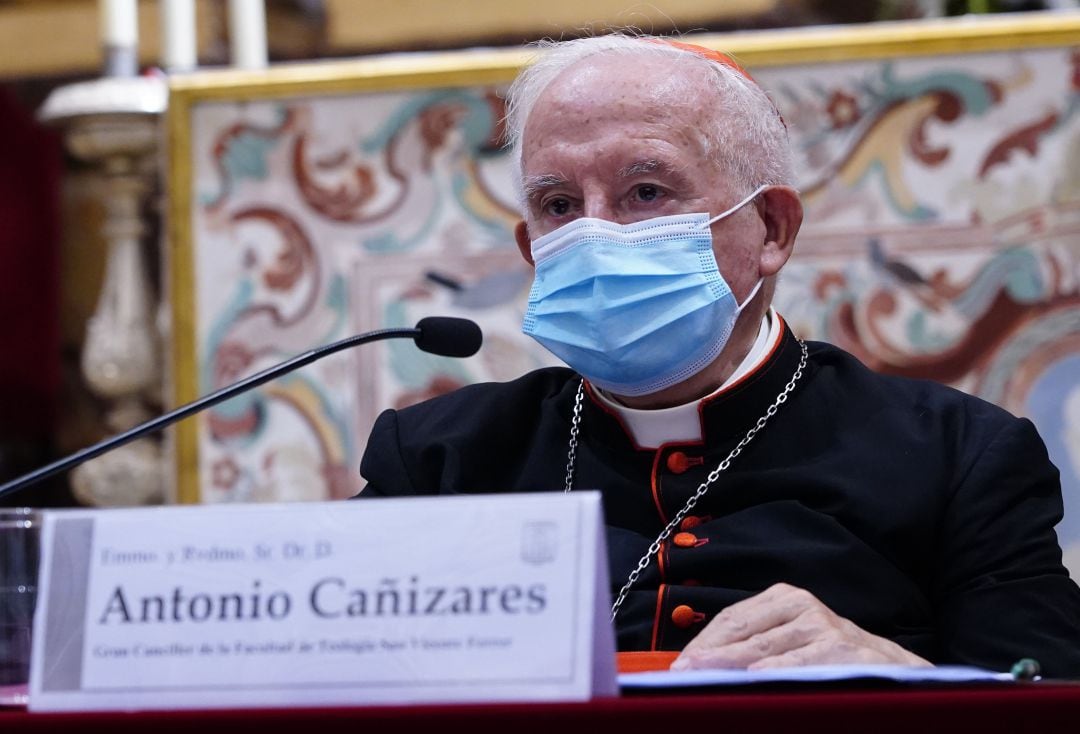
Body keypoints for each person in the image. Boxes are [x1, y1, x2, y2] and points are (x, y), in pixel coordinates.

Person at [358, 34, 1080, 676]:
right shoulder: (435, 463)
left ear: (771, 228)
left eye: (645, 191)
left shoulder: (957, 458)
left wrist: (904, 676)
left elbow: (1044, 687)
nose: (595, 236)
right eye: (558, 206)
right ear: (530, 249)